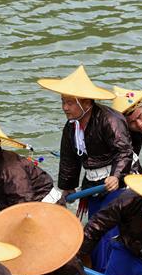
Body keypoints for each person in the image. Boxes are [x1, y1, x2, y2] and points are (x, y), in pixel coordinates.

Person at [36, 65, 136, 218]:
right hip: (93, 183)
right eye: (63, 102)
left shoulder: (110, 120)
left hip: (120, 180)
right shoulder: (70, 126)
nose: (64, 107)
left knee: (114, 228)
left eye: (70, 103)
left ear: (87, 103)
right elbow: (69, 158)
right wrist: (68, 186)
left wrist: (116, 176)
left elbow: (123, 151)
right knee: (95, 225)